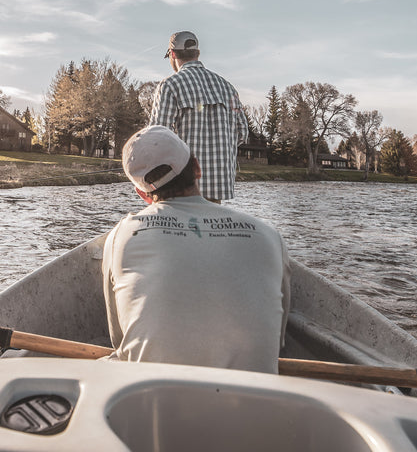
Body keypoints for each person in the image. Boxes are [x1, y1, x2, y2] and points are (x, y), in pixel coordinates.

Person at [103, 125, 290, 373]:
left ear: (142, 193)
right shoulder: (269, 236)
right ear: (197, 168)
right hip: (254, 407)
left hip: (154, 406)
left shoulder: (121, 235)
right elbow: (278, 341)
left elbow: (119, 340)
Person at [149, 30, 249, 203]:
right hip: (218, 188)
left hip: (182, 188)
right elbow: (242, 132)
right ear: (198, 53)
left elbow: (157, 137)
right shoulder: (227, 87)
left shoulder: (170, 85)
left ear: (172, 54)